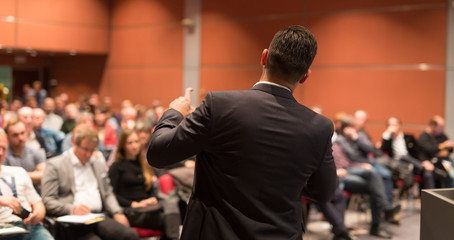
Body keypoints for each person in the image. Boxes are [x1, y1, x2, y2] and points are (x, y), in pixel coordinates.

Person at [147, 25, 337, 240]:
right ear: (305, 76)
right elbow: (324, 193)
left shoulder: (219, 105)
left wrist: (175, 112)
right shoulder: (320, 126)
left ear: (264, 57)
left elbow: (158, 153)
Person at [41, 125, 139, 240]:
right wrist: (71, 209)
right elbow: (48, 200)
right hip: (72, 221)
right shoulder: (55, 165)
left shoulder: (97, 164)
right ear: (74, 143)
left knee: (130, 235)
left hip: (98, 216)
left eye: (92, 150)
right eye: (85, 149)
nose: (88, 154)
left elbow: (107, 193)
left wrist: (117, 212)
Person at [109, 129, 180, 240]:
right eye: (130, 143)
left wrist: (152, 199)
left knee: (171, 203)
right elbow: (112, 194)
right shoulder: (116, 166)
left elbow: (149, 188)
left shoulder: (144, 164)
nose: (134, 146)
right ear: (123, 145)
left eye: (137, 142)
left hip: (148, 207)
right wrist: (134, 204)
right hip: (131, 210)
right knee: (168, 220)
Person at [0, 129, 54, 240]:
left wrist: (38, 214)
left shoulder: (19, 172)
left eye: (4, 148)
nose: (0, 153)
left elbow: (38, 203)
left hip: (27, 225)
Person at [380, 117, 435, 191]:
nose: (393, 127)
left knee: (428, 173)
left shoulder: (409, 137)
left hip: (412, 162)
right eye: (390, 125)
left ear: (399, 125)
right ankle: (421, 166)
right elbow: (381, 152)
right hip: (398, 164)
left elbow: (418, 152)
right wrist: (387, 134)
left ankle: (430, 198)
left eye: (394, 124)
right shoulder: (388, 139)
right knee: (403, 157)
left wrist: (424, 161)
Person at [4, 118, 46, 192]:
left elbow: (43, 176)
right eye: (15, 135)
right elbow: (4, 178)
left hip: (35, 193)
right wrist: (33, 175)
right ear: (7, 137)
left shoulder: (36, 152)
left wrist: (16, 176)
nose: (20, 138)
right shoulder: (3, 155)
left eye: (22, 133)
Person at [418, 115, 454, 187]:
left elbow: (450, 150)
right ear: (433, 126)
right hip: (432, 164)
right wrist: (443, 146)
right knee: (451, 176)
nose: (442, 130)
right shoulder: (423, 137)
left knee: (452, 175)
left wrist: (439, 149)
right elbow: (431, 150)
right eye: (440, 127)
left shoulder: (442, 135)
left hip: (446, 161)